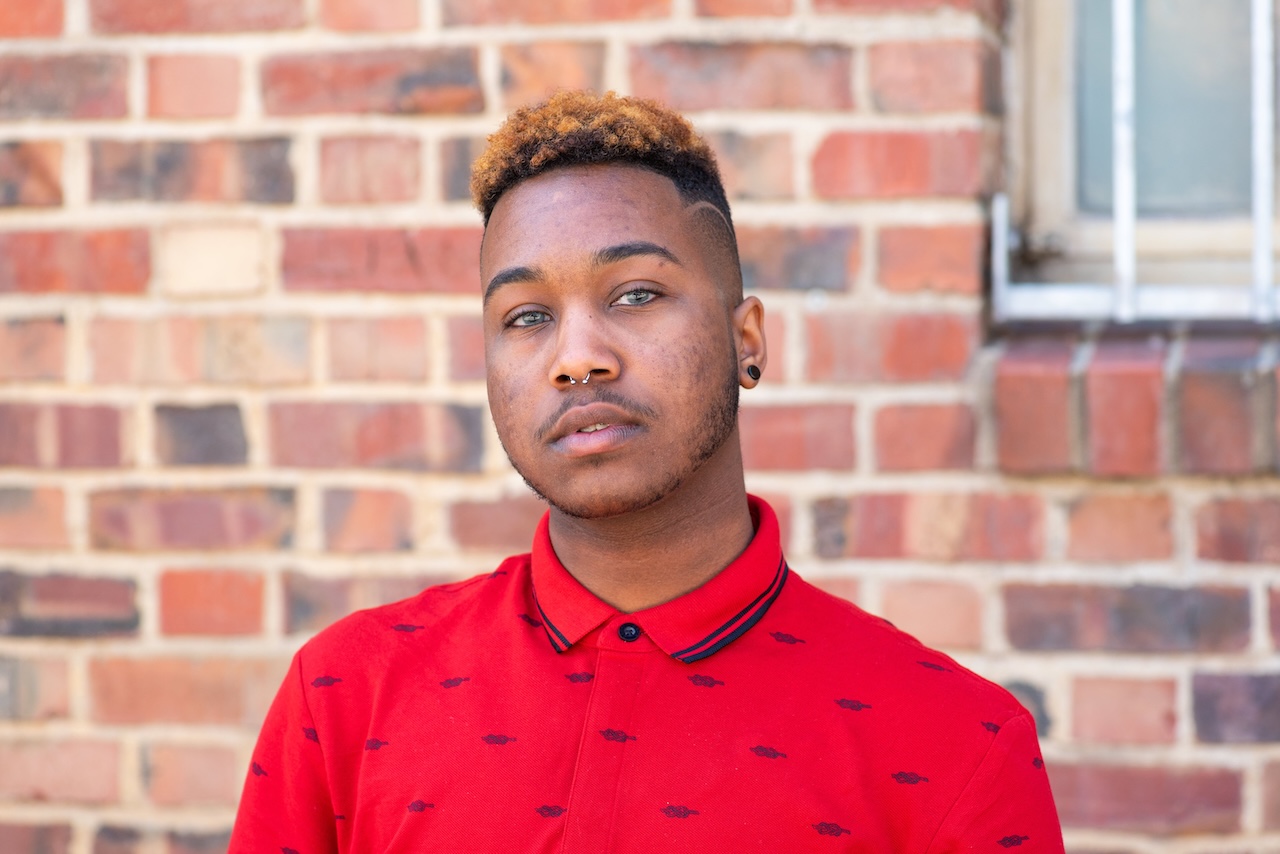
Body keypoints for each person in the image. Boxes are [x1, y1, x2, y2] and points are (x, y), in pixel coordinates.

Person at [230, 91, 1064, 852]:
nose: (577, 358)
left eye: (635, 294)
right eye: (526, 317)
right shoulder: (346, 696)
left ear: (748, 340)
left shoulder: (956, 744)